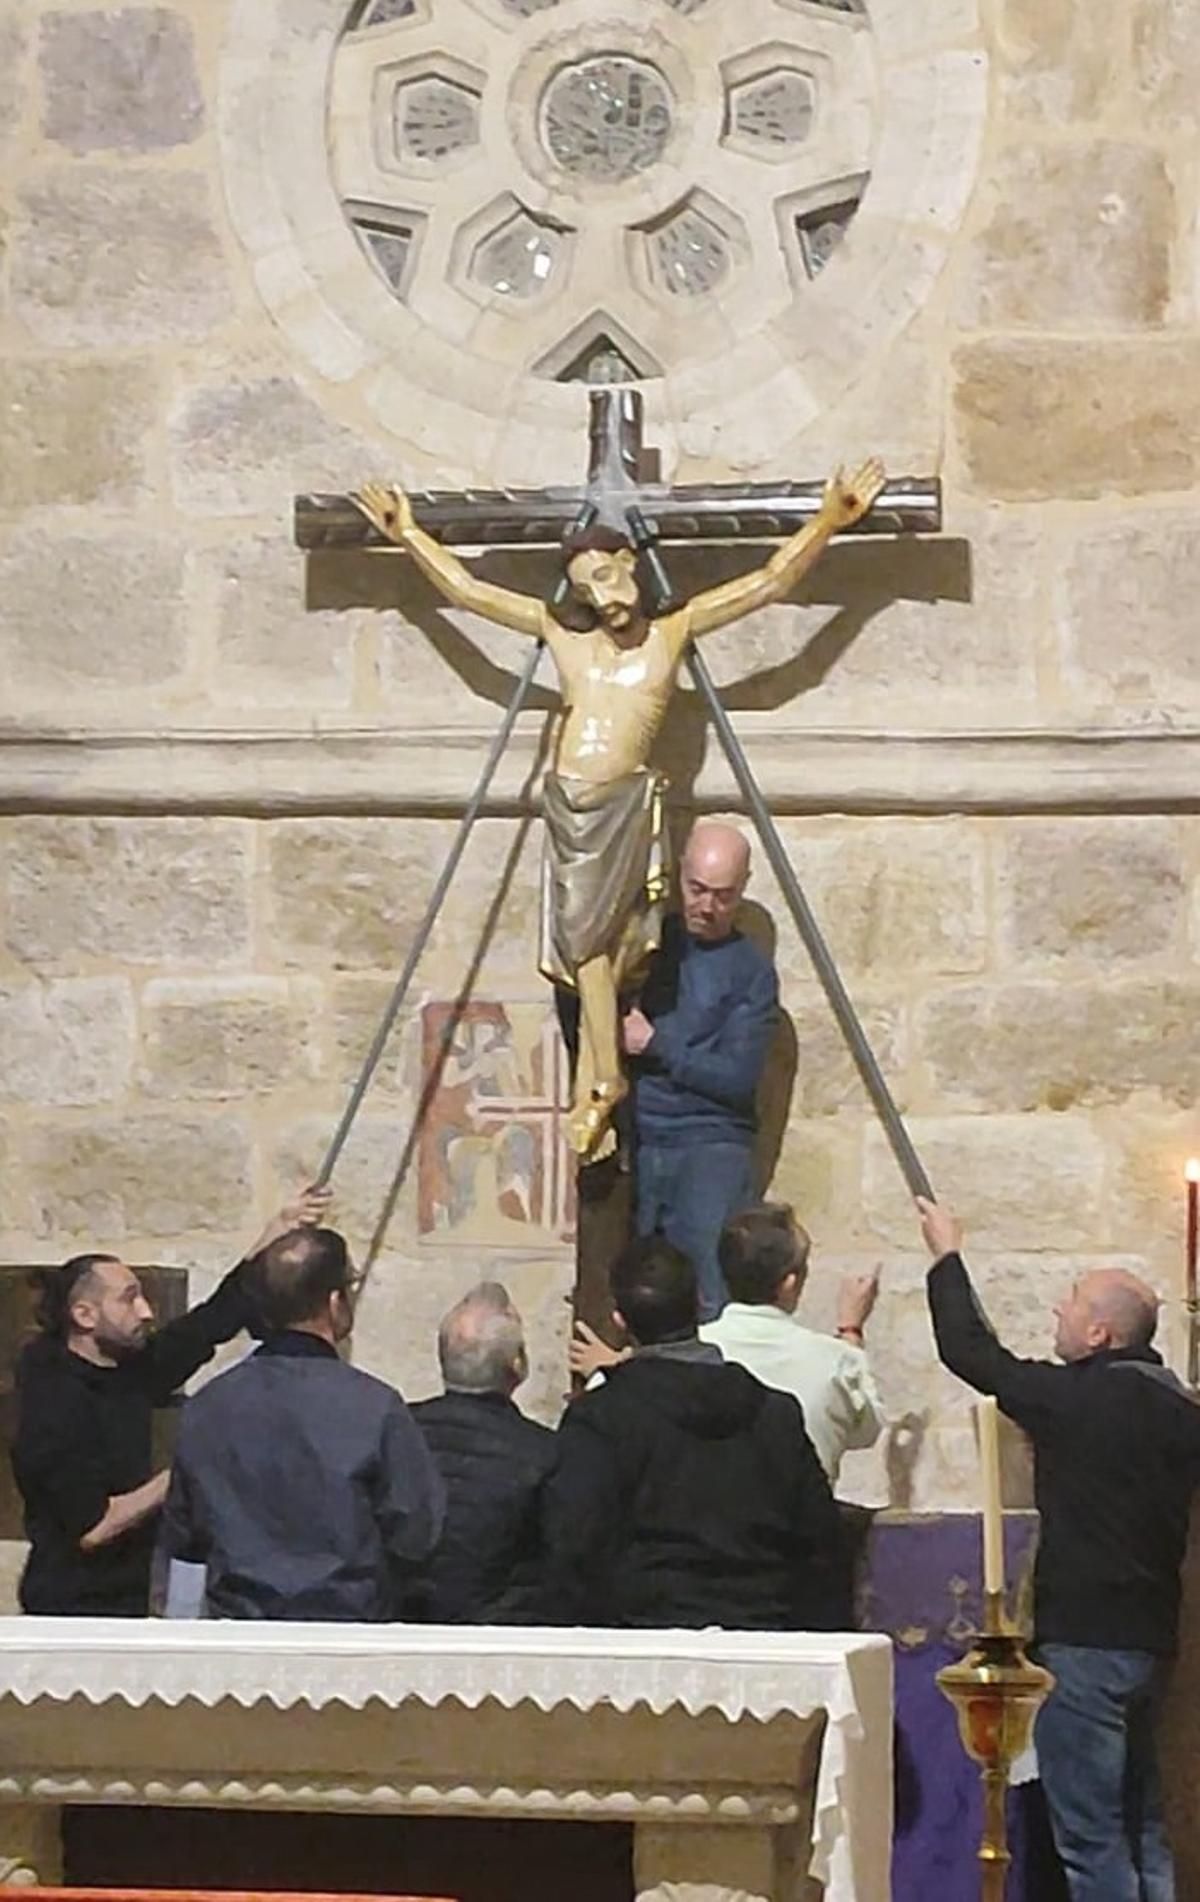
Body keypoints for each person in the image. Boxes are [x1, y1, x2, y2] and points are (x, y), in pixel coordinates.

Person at [353, 461, 884, 1163]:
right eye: (585, 588)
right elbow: (469, 592)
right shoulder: (565, 638)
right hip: (570, 811)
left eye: (606, 576)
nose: (601, 596)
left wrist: (826, 521)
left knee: (592, 946)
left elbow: (768, 584)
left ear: (629, 564)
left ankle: (599, 1083)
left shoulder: (672, 635)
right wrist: (410, 535)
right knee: (585, 954)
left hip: (625, 807)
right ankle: (598, 1080)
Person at [918, 1194, 1200, 1902]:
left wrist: (946, 1254)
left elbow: (971, 1353)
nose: (1057, 1313)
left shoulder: (1074, 1401)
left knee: (1092, 1838)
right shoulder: (1178, 1409)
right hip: (1151, 1643)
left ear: (1101, 1332)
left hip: (1084, 1639)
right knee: (1142, 1825)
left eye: (1070, 1304)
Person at [11, 1189, 327, 1618]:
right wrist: (186, 1467)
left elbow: (211, 1322)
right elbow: (92, 1527)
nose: (145, 1311)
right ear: (84, 1316)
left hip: (133, 1597)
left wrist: (273, 1236)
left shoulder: (128, 1371)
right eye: (128, 1299)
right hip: (72, 1605)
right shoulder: (53, 1400)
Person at [545, 1235, 847, 1630]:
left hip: (642, 1633)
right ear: (702, 1302)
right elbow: (821, 1541)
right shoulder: (775, 1413)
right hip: (763, 1631)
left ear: (621, 1321)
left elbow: (574, 1542)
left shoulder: (601, 1418)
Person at [155, 1226, 443, 1620]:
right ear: (334, 1301)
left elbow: (183, 1544)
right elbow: (416, 1533)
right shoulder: (375, 1407)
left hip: (237, 1642)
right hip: (347, 1640)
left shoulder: (208, 1406)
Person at [572, 1203, 882, 1482]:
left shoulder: (681, 1353)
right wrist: (850, 1330)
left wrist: (615, 1369)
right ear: (790, 1282)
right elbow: (866, 1429)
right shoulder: (832, 1362)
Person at [624, 822, 778, 1320]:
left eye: (724, 895)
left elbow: (737, 1078)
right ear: (679, 876)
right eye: (697, 890)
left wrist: (658, 1045)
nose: (707, 906)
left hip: (710, 1147)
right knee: (637, 1295)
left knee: (712, 1298)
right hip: (642, 1140)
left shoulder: (751, 972)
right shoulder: (648, 947)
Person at [409, 1282, 556, 1623]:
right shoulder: (546, 1453)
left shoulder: (394, 1431)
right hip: (505, 1637)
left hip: (408, 1630)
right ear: (517, 1365)